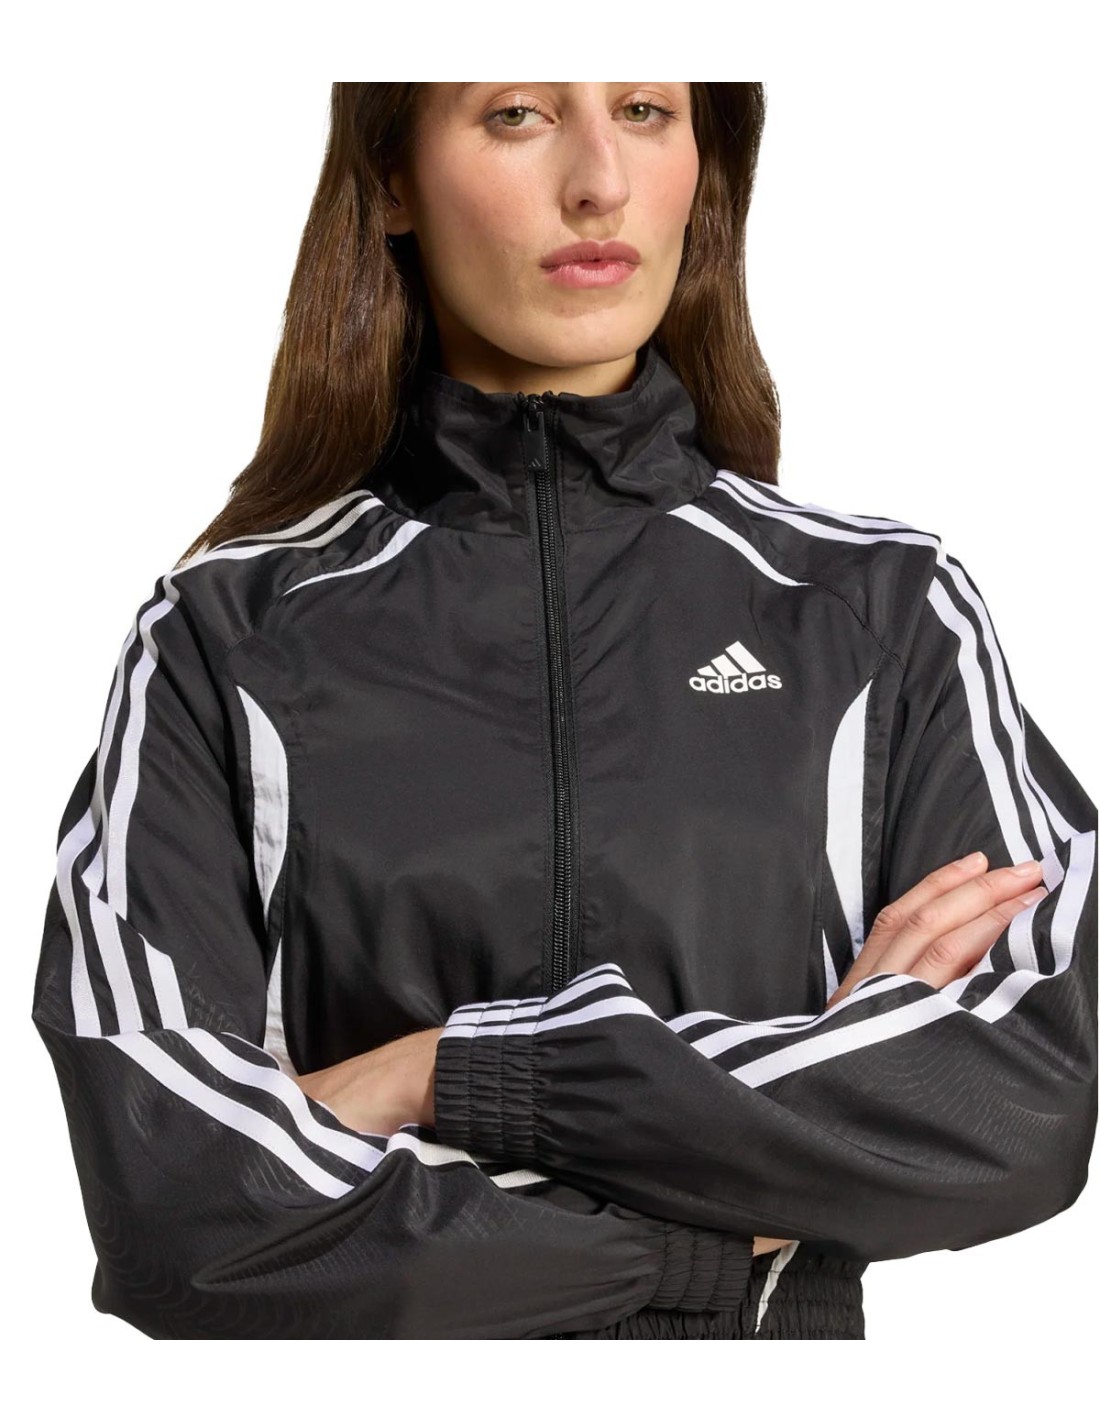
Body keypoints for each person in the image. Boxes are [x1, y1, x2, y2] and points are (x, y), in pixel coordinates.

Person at [31, 81, 1097, 1341]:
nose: (598, 182)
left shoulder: (876, 610)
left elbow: (1012, 1103)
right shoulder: (224, 637)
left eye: (644, 109)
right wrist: (726, 1225)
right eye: (517, 115)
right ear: (391, 179)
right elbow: (175, 1212)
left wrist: (439, 1075)